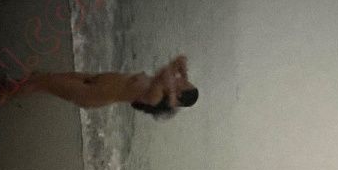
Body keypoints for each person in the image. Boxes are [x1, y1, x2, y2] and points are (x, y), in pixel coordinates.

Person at [11, 55, 198, 118]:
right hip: (94, 80)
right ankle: (8, 87)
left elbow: (165, 73)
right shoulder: (164, 86)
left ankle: (0, 92)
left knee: (41, 84)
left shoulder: (156, 97)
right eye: (183, 80)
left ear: (179, 95)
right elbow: (181, 59)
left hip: (91, 94)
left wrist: (176, 84)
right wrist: (184, 77)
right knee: (43, 78)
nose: (180, 80)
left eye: (183, 84)